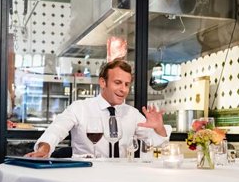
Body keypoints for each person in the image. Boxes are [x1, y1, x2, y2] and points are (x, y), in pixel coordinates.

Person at [27, 59, 171, 158]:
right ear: (103, 82)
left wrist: (159, 128)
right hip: (86, 176)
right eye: (118, 83)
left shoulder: (132, 114)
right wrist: (44, 148)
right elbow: (57, 129)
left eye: (127, 84)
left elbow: (159, 143)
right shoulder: (80, 108)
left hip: (121, 179)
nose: (123, 89)